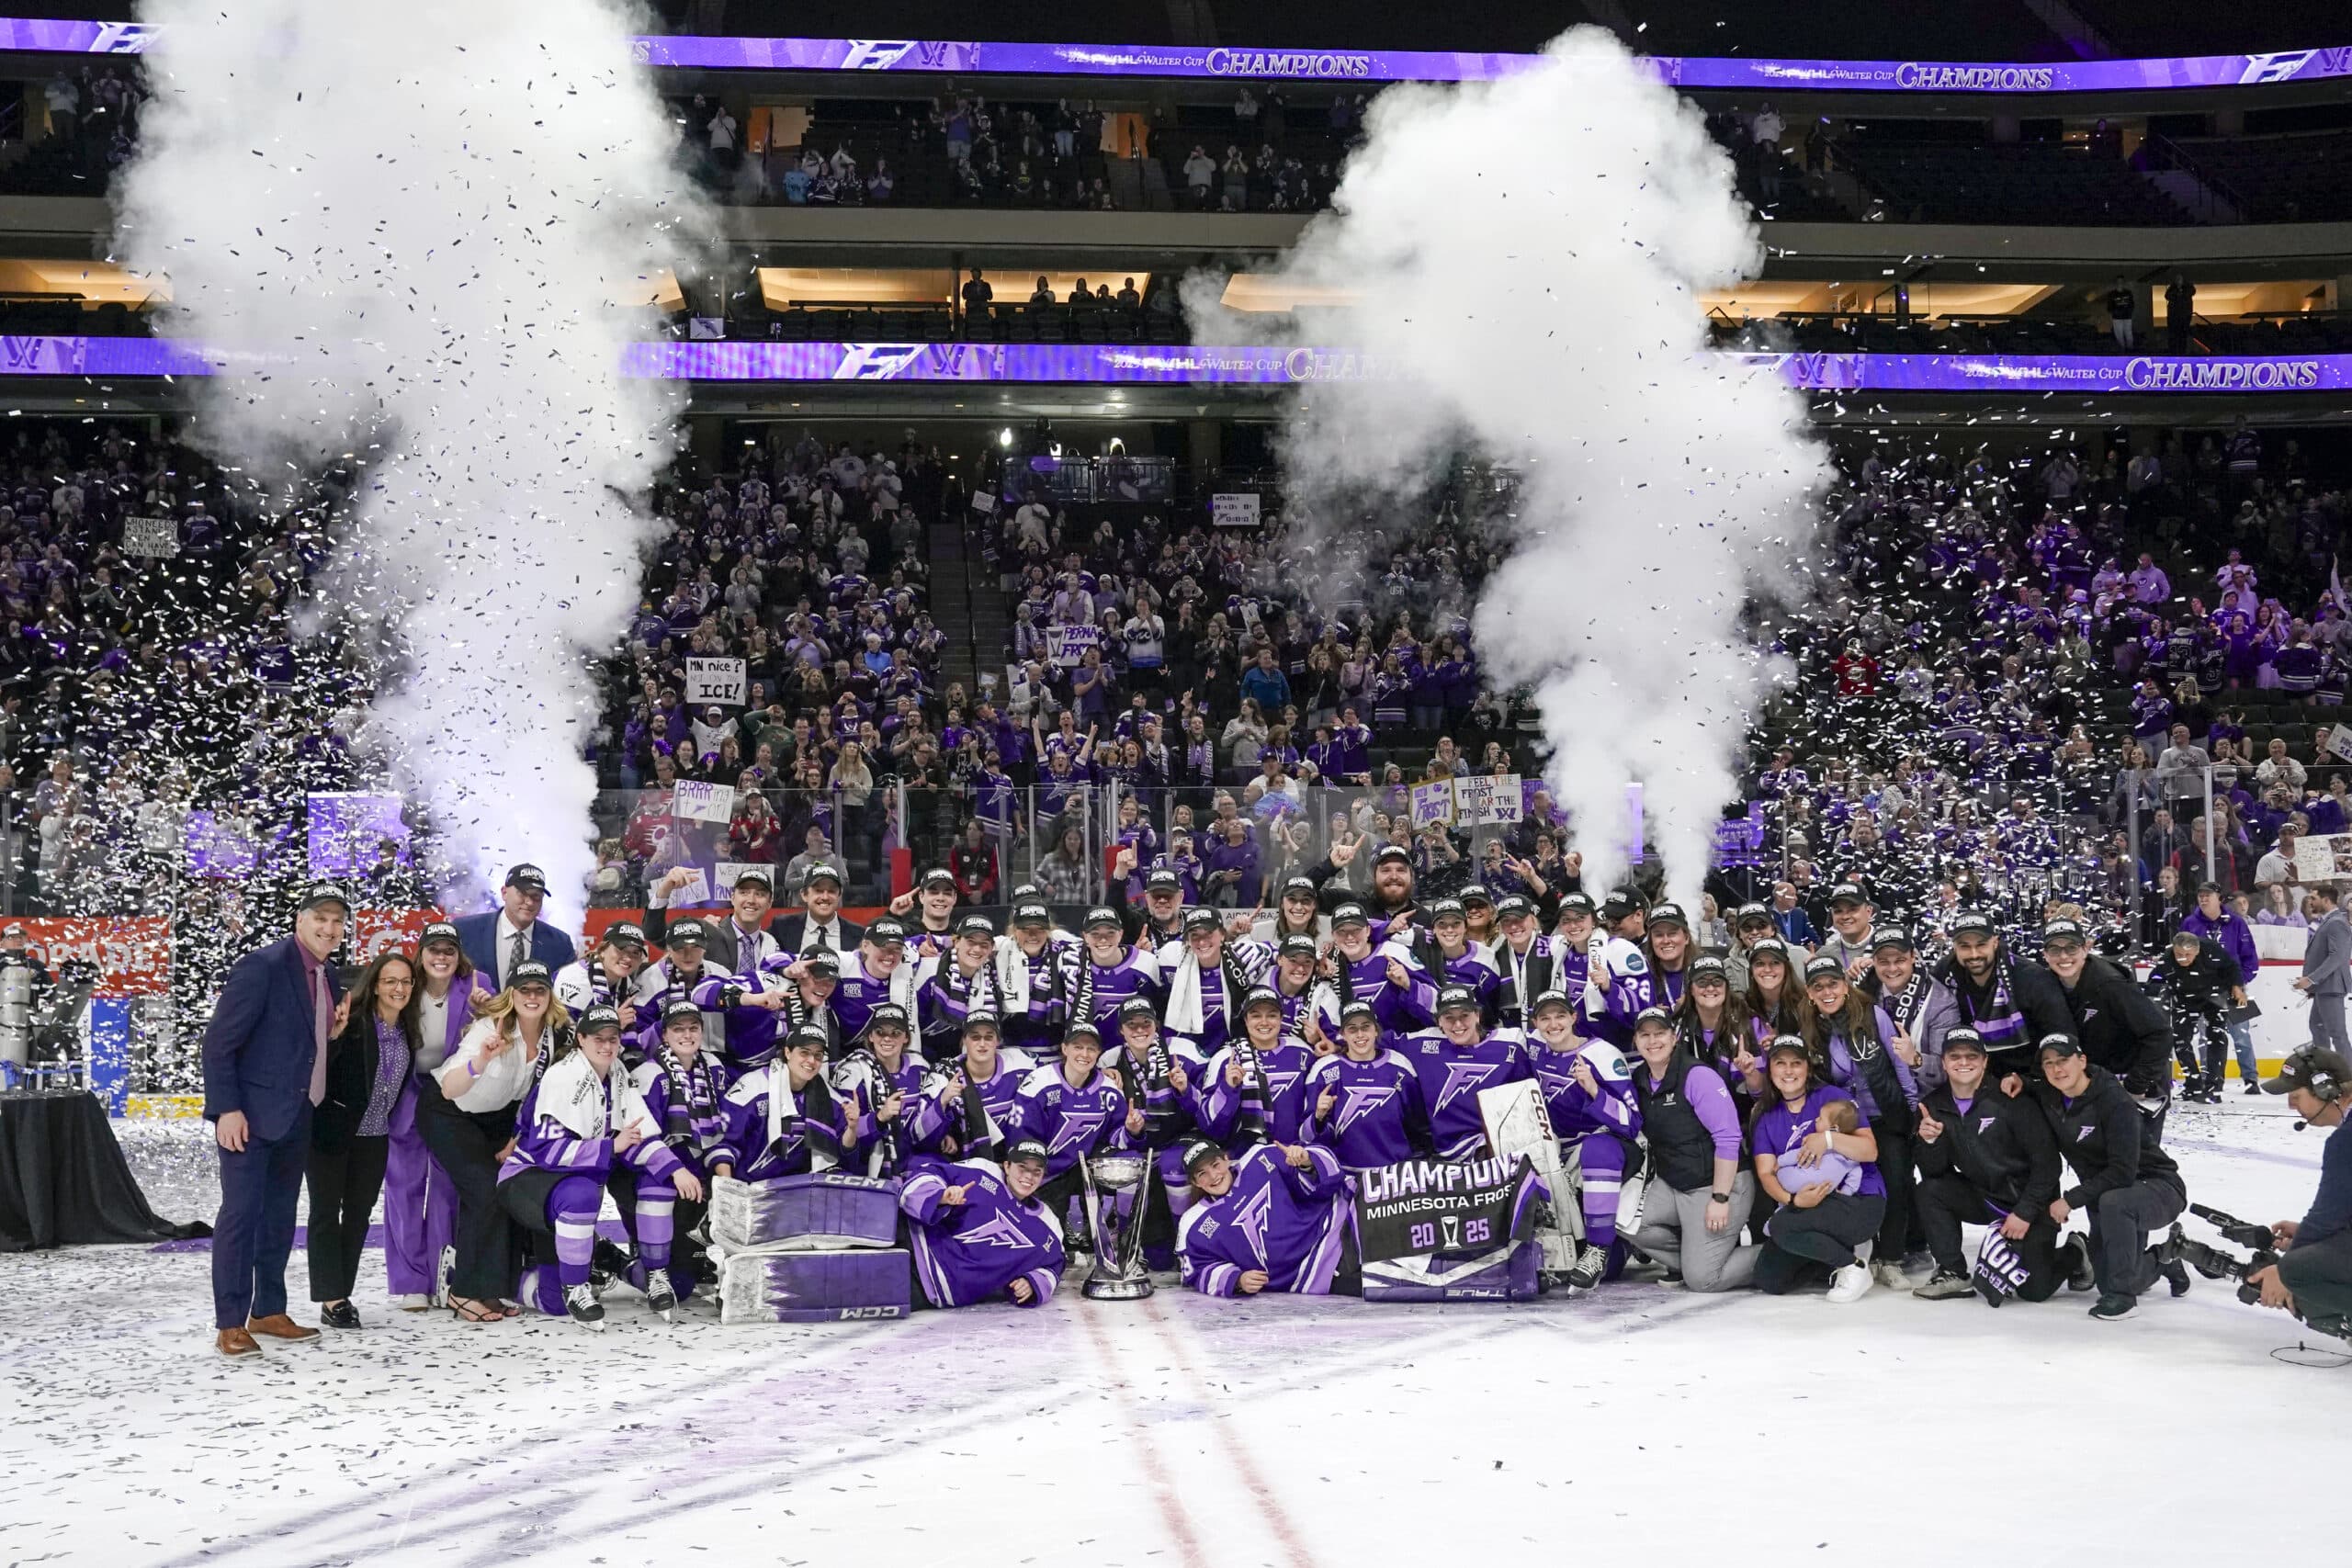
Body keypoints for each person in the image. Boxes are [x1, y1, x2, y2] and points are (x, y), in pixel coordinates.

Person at [202, 881, 351, 1358]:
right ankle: (230, 1322)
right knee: (241, 1216)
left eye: (337, 921)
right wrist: (227, 1109)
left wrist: (333, 1033)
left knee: (280, 1218)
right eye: (320, 918)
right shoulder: (262, 966)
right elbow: (218, 1043)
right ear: (299, 920)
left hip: (296, 1115)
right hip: (249, 1118)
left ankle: (267, 1310)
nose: (329, 928)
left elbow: (300, 1043)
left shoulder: (328, 975)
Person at [499, 1006, 695, 1328]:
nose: (607, 1046)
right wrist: (610, 1147)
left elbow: (638, 1136)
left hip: (573, 1187)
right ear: (580, 1039)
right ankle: (514, 1282)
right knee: (556, 1299)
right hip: (530, 1180)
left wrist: (675, 1169)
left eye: (612, 1039)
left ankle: (640, 1268)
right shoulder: (561, 1077)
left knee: (657, 1181)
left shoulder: (617, 1073)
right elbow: (549, 1152)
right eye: (598, 1039)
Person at [424, 959, 567, 1324]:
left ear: (549, 996)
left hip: (497, 1121)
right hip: (449, 1112)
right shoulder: (490, 1028)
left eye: (539, 990)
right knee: (484, 1190)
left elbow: (536, 1098)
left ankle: (492, 1288)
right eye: (524, 990)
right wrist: (481, 1061)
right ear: (511, 995)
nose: (532, 997)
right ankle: (461, 1291)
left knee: (507, 1189)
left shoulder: (554, 1035)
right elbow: (449, 1087)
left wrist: (514, 1140)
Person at [2028, 1033, 2190, 1320]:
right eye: (2048, 1063)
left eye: (2063, 1060)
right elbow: (2028, 1085)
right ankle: (2165, 1258)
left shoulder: (2114, 1101)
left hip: (2156, 1187)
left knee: (2117, 1271)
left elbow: (2122, 1172)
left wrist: (2070, 1200)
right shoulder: (2051, 1096)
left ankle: (2124, 1300)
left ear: (2082, 1061)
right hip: (2105, 1197)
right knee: (2109, 1277)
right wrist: (2013, 1080)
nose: (2056, 1069)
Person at [1911, 1029, 2078, 1304]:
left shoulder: (2010, 1098)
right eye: (1955, 1056)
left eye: (1971, 1056)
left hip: (2032, 1204)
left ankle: (2075, 1252)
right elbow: (1934, 1173)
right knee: (1930, 1191)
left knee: (2034, 1290)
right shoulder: (1933, 1106)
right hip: (1986, 1197)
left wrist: (2024, 1212)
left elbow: (2048, 1165)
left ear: (1985, 1061)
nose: (1963, 1062)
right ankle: (1952, 1272)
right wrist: (1930, 1143)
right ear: (1943, 1062)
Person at [306, 950, 422, 1330]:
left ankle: (342, 1292)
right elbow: (321, 1066)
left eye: (405, 981)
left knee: (357, 1216)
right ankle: (332, 1298)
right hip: (332, 1131)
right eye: (390, 981)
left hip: (375, 1137)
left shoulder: (408, 1030)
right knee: (325, 1213)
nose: (398, 988)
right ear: (374, 986)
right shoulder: (352, 1022)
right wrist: (334, 1037)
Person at [385, 919, 491, 1310]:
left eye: (449, 950)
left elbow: (499, 1027)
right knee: (404, 1186)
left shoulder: (477, 984)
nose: (442, 957)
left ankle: (445, 1275)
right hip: (407, 1092)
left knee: (448, 1187)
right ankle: (411, 1281)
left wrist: (486, 1010)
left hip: (451, 1096)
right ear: (421, 954)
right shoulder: (404, 985)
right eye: (434, 950)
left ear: (458, 955)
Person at [1625, 1008, 1756, 1292]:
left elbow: (1728, 1138)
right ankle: (1694, 1257)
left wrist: (1720, 1198)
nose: (1652, 1041)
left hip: (1716, 1184)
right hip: (1674, 1184)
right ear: (1636, 1041)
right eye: (1645, 1035)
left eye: (1660, 1033)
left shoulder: (1697, 1076)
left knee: (1703, 1280)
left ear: (1674, 1038)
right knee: (1624, 1219)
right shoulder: (1639, 1079)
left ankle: (1784, 1256)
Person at [1749, 1037, 1885, 1301]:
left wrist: (1829, 1139)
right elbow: (1766, 1172)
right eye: (1780, 1063)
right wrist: (1792, 1199)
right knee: (1770, 1279)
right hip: (1805, 1206)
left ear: (1808, 1068)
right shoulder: (1767, 1115)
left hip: (1855, 1201)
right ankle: (1842, 1252)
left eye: (1796, 1063)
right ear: (1770, 1069)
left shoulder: (1832, 1097)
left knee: (1781, 1226)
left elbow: (1870, 1151)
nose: (1788, 1071)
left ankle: (1853, 1265)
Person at [1527, 988, 1639, 1289]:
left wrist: (1594, 1090)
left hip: (1604, 1147)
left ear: (1574, 1017)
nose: (1553, 1024)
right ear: (1535, 1023)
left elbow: (1632, 1123)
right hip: (1555, 1152)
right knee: (1608, 1270)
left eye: (1560, 1016)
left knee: (1596, 1148)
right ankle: (1618, 1247)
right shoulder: (1532, 1045)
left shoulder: (1602, 1055)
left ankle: (1599, 1248)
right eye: (1545, 1018)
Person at [628, 997, 731, 1302]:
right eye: (678, 1029)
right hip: (651, 1172)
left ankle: (708, 1263)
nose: (687, 1035)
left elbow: (723, 1129)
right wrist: (675, 1169)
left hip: (697, 1171)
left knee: (685, 1282)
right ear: (664, 1035)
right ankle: (651, 1271)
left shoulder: (714, 1068)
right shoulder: (647, 1075)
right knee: (657, 1187)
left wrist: (724, 1179)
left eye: (693, 1028)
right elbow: (636, 1138)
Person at [1175, 1136, 1360, 1298]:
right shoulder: (1194, 1223)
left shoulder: (1260, 1158)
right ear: (1195, 1182)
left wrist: (1306, 1161)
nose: (1213, 1176)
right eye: (1202, 1174)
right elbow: (1193, 1270)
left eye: (1215, 1165)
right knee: (1375, 1284)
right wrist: (1236, 1280)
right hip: (1316, 1274)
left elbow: (1329, 1175)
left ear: (1226, 1158)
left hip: (1340, 1224)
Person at [2250, 1047, 2352, 1336]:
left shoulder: (2345, 1141)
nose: (2290, 1106)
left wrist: (2283, 1272)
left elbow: (2327, 1218)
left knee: (2296, 1273)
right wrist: (2307, 1235)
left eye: (2295, 1096)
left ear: (2326, 1089)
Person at [899, 1136, 1068, 1309]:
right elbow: (927, 1173)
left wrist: (1033, 1282)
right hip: (912, 1242)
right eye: (1022, 1168)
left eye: (1036, 1172)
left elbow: (1056, 1264)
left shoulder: (1048, 1224)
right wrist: (941, 1195)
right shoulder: (982, 1171)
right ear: (1007, 1166)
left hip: (932, 1289)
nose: (1028, 1176)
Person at [2038, 917, 2174, 1107]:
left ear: (2085, 949)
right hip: (2094, 1087)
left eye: (2071, 948)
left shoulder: (2111, 985)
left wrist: (2136, 1085)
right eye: (2054, 949)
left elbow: (2160, 1034)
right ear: (2045, 954)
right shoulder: (2045, 986)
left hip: (2133, 1085)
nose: (2064, 956)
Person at [1400, 984, 1529, 1158]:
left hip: (1501, 1147)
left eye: (1464, 1015)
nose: (1458, 1024)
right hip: (1450, 1154)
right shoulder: (1420, 1044)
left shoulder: (1511, 1042)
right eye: (1449, 1018)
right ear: (1439, 1021)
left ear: (1477, 1015)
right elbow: (1376, 1042)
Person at [1305, 998, 1434, 1171]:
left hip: (1394, 1175)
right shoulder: (1323, 1070)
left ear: (1376, 1030)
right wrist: (1318, 1117)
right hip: (1347, 1176)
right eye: (1352, 1029)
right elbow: (1307, 1139)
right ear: (1343, 1034)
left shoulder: (1400, 1066)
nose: (1360, 1034)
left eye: (1366, 1027)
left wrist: (1411, 1170)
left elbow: (1419, 1128)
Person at [2181, 880, 2263, 1094]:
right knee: (2206, 1036)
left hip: (2233, 988)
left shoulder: (2236, 923)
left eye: (2208, 895)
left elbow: (2249, 957)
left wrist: (2240, 983)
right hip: (2202, 991)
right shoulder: (2190, 923)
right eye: (2200, 895)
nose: (2203, 899)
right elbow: (2181, 954)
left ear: (2219, 899)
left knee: (2241, 1035)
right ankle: (2209, 1078)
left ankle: (2250, 1078)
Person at [2149, 929, 2245, 1105]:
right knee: (2179, 1039)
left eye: (2188, 955)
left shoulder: (2212, 949)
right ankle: (2193, 1084)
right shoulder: (2167, 958)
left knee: (2217, 1037)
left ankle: (2213, 1088)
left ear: (2197, 950)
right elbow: (2155, 979)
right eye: (2179, 954)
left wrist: (2237, 987)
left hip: (2215, 994)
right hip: (2185, 998)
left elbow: (2232, 967)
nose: (2183, 959)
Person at [454, 863, 579, 987]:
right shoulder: (464, 931)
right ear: (504, 893)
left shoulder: (560, 944)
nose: (529, 902)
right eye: (522, 893)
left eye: (536, 896)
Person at [2296, 885, 2351, 1055]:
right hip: (2324, 987)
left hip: (2331, 987)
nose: (2310, 902)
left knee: (2337, 1034)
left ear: (2326, 900)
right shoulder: (2329, 921)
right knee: (2317, 1027)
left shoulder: (2336, 923)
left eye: (2314, 898)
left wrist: (2311, 979)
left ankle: (2347, 1070)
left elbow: (2337, 957)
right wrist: (2313, 984)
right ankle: (2327, 1065)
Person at [772, 862, 865, 953]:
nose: (825, 897)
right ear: (804, 894)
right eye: (818, 891)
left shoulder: (860, 935)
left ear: (839, 895)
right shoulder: (782, 927)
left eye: (831, 891)